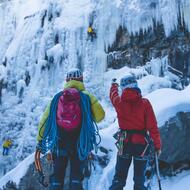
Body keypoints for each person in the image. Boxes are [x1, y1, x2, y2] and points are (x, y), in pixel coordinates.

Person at [36, 68, 105, 190]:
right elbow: (100, 116)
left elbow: (44, 121)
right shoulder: (87, 97)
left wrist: (40, 140)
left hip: (59, 142)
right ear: (81, 80)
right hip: (80, 144)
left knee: (57, 177)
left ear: (67, 80)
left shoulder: (57, 98)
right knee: (76, 177)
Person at [109, 74, 161, 190]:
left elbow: (113, 95)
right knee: (139, 179)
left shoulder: (119, 102)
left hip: (123, 141)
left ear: (123, 88)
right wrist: (157, 146)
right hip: (141, 144)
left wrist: (113, 85)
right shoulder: (145, 103)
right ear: (136, 86)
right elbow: (153, 127)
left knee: (119, 177)